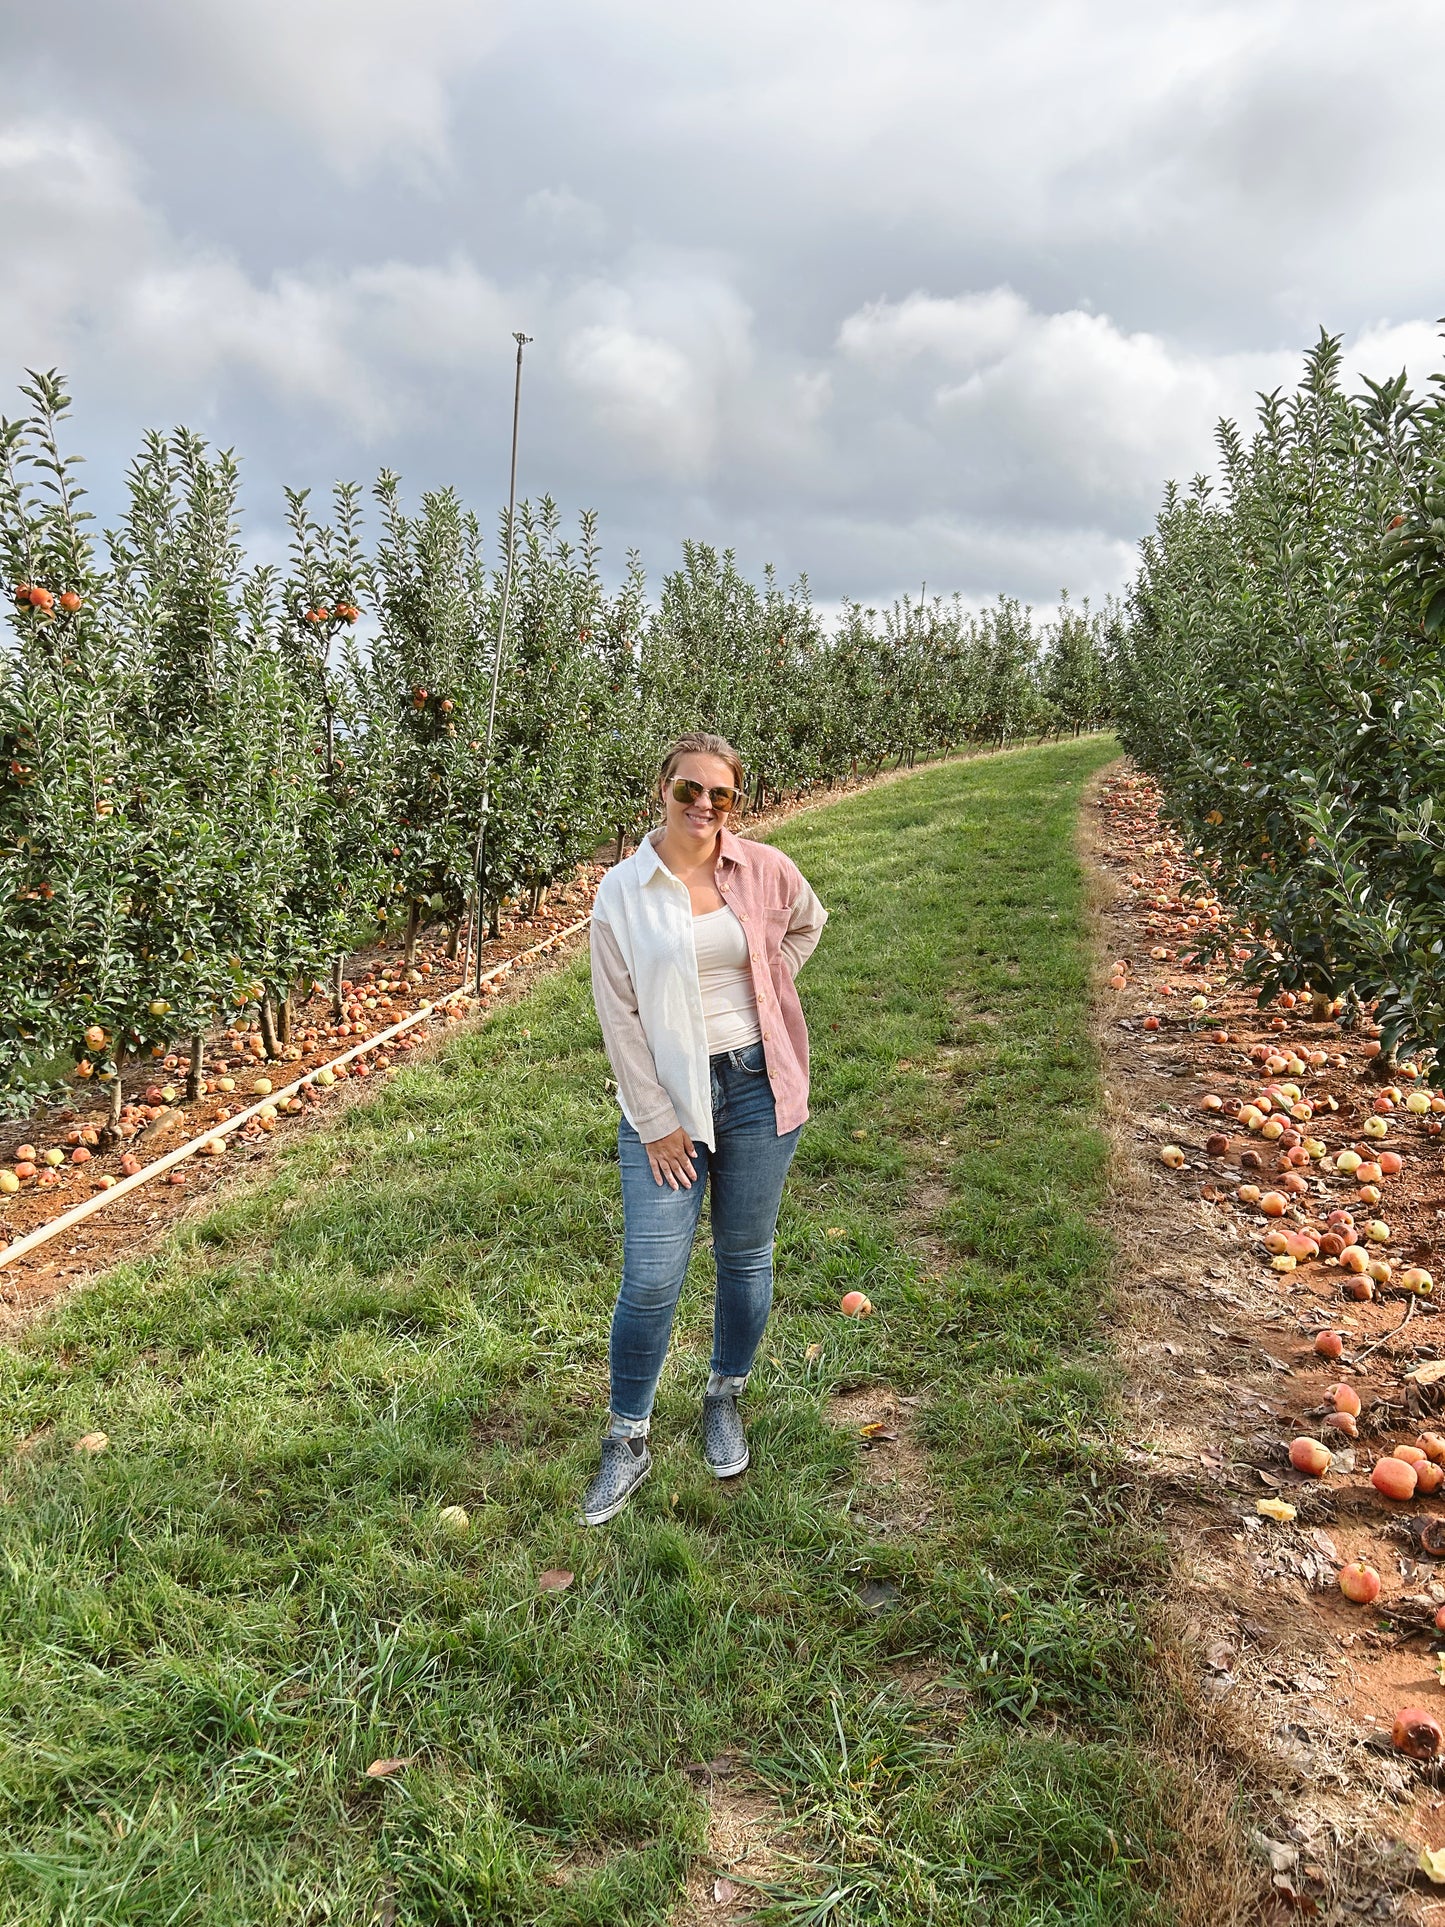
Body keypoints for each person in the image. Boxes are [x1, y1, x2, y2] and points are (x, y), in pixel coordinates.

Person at [581, 732, 828, 1525]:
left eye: (719, 795)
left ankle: (724, 1393)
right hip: (666, 1103)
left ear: (734, 803)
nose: (702, 806)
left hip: (757, 1085)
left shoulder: (762, 868)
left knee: (744, 1254)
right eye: (689, 789)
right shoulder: (623, 890)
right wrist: (655, 1121)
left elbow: (805, 924)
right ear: (662, 787)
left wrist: (768, 980)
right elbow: (616, 1015)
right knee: (652, 1276)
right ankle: (627, 1435)